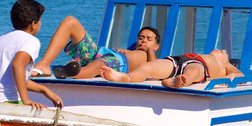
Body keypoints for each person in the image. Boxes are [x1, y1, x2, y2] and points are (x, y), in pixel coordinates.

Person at [0, 0, 64, 110]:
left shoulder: (3, 38)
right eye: (40, 21)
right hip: (4, 101)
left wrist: (44, 90)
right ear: (34, 24)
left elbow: (15, 78)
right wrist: (26, 100)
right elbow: (17, 66)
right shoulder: (31, 41)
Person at [31, 15, 160, 79]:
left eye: (149, 39)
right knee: (70, 22)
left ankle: (74, 72)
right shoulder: (132, 51)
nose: (143, 41)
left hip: (118, 62)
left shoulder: (151, 59)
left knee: (99, 66)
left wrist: (149, 50)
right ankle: (44, 64)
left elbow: (155, 68)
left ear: (156, 46)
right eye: (141, 38)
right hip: (101, 51)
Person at [100, 49, 242, 88]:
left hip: (200, 66)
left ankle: (178, 81)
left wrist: (230, 77)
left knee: (193, 72)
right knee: (148, 67)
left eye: (223, 52)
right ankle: (126, 77)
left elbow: (239, 73)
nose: (218, 49)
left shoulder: (223, 65)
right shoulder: (204, 54)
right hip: (180, 60)